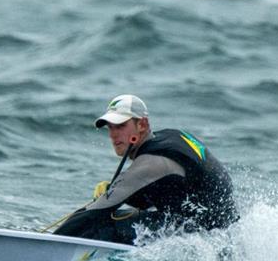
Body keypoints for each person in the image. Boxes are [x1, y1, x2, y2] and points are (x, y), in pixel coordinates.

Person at [53, 94, 238, 245]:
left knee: (104, 225)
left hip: (206, 238)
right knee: (123, 216)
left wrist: (52, 242)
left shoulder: (150, 163)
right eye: (110, 127)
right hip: (222, 234)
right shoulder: (169, 138)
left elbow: (96, 212)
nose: (113, 134)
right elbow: (162, 193)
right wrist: (116, 188)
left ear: (142, 125)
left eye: (120, 126)